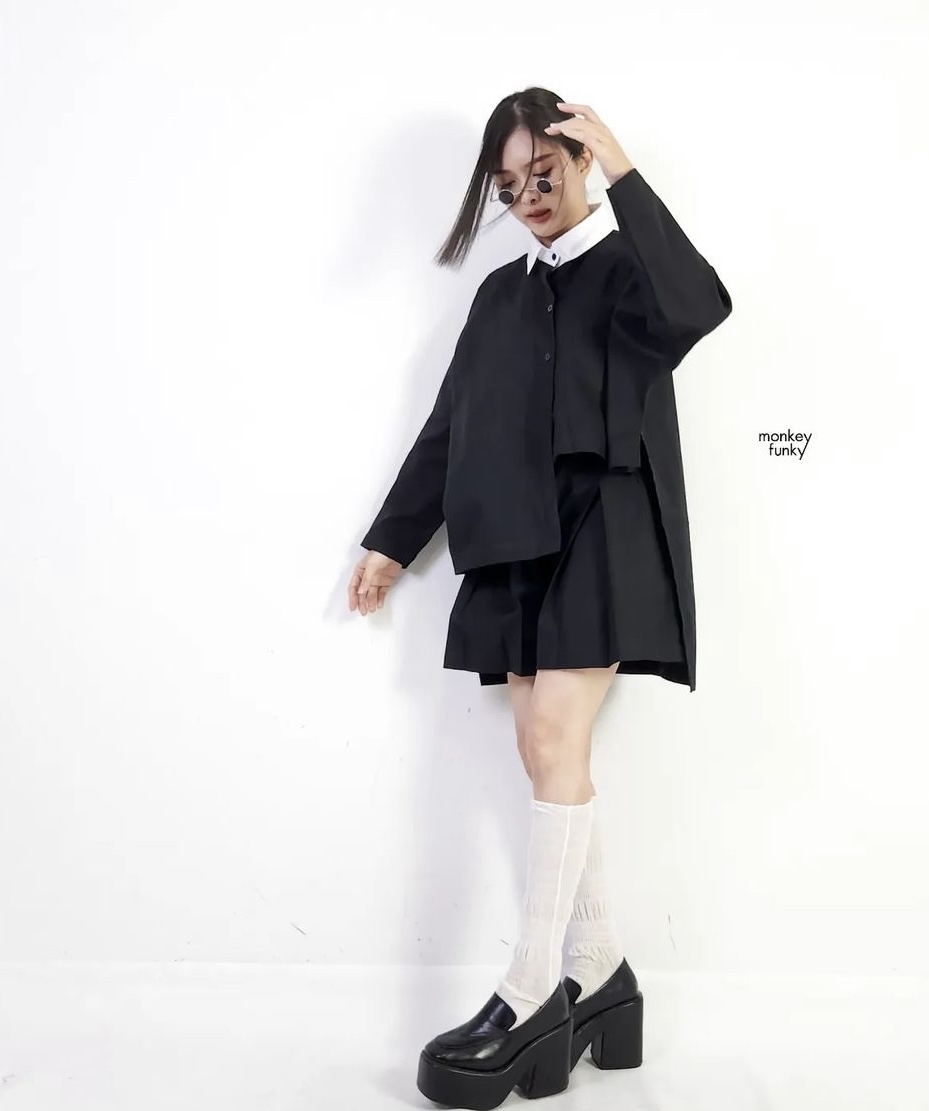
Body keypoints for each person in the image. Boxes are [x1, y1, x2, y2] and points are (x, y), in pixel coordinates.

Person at [347, 88, 731, 1108]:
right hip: (518, 541)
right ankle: (600, 974)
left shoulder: (632, 270)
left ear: (582, 161)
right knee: (540, 746)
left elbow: (700, 306)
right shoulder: (499, 298)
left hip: (607, 528)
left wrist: (625, 166)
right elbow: (450, 427)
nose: (527, 198)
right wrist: (390, 541)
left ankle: (529, 995)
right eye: (508, 185)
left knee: (553, 736)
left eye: (545, 174)